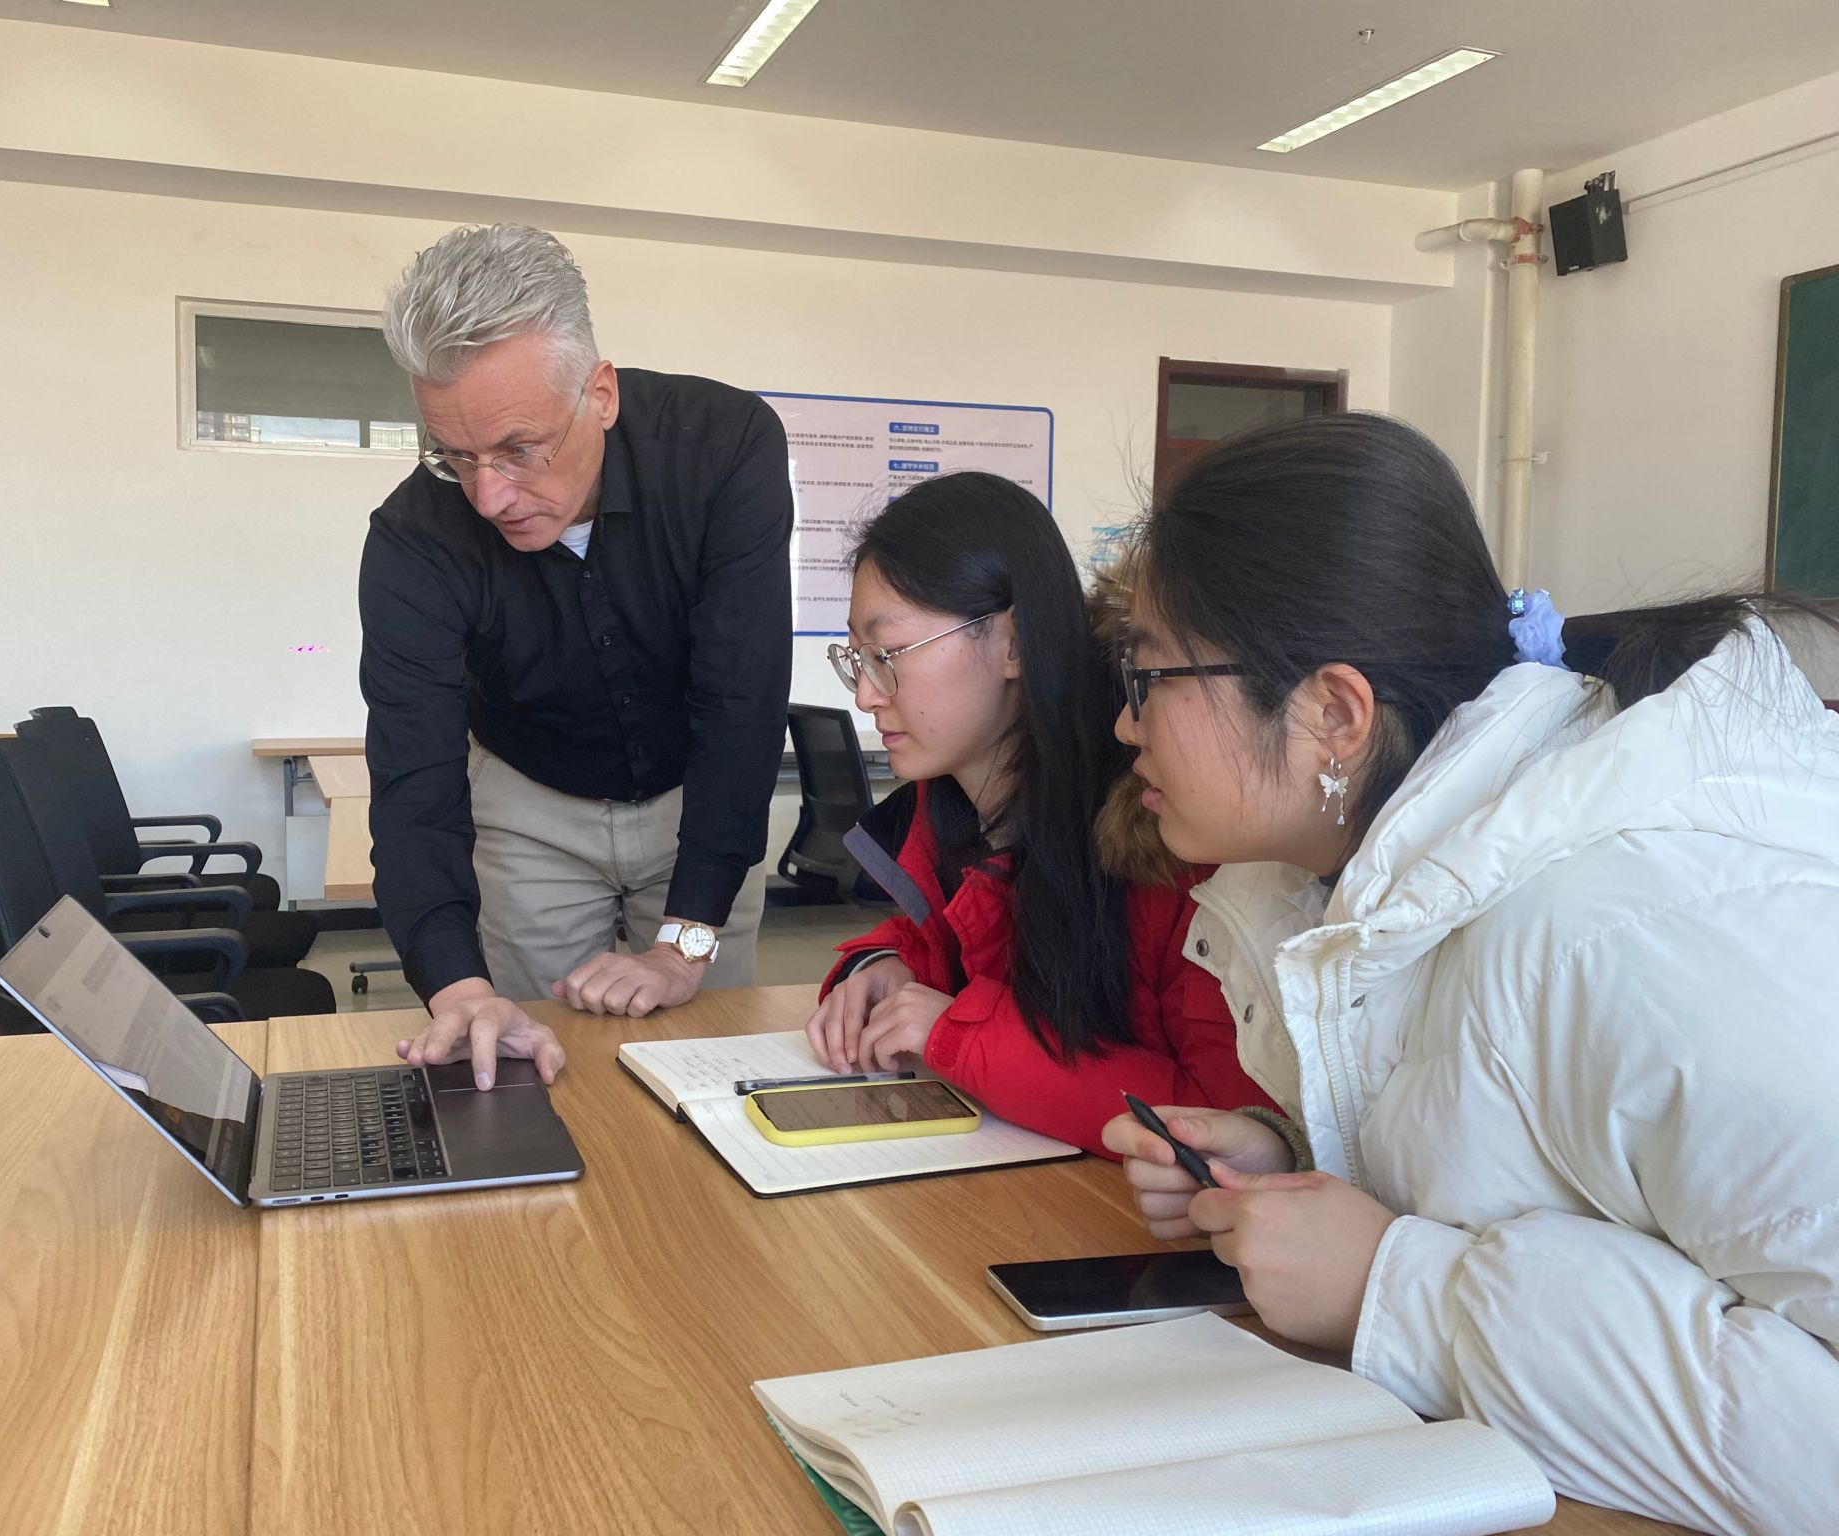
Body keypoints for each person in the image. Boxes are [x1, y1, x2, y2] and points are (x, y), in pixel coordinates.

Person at [1103, 412, 1839, 1535]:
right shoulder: (1372, 890)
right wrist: (1297, 1161)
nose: (1123, 723)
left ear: (1333, 714)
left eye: (1149, 674)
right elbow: (1569, 1177)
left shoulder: (1631, 931)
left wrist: (1398, 1294)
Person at [360, 224, 792, 1088]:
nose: (490, 495)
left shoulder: (723, 447)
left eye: (519, 450)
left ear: (600, 393)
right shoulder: (415, 537)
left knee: (714, 1066)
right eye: (455, 456)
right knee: (538, 1065)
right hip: (532, 807)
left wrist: (684, 944)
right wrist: (459, 988)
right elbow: (416, 777)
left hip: (700, 795)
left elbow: (741, 701)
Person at [804, 471, 1271, 1157]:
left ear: (1015, 643)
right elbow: (952, 946)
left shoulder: (1165, 831)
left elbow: (1226, 1121)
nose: (866, 695)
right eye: (857, 658)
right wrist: (880, 965)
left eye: (888, 654)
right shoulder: (955, 808)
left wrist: (956, 1036)